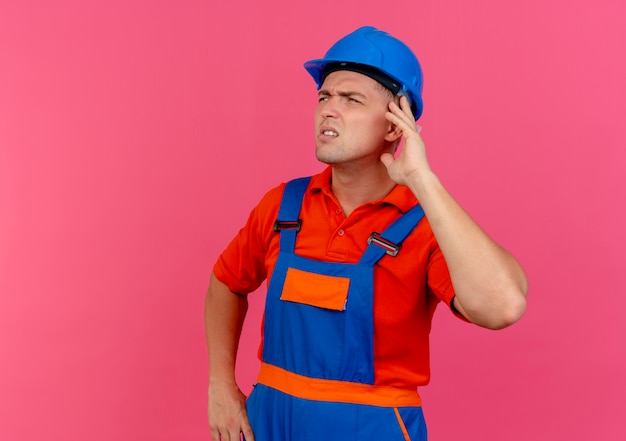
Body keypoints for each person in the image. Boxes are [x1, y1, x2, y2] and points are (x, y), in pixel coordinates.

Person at [205, 26, 528, 441]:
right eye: (324, 97)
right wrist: (220, 385)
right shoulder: (283, 206)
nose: (328, 110)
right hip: (270, 416)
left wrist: (421, 180)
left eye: (351, 99)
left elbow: (502, 306)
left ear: (396, 127)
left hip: (371, 426)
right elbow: (226, 283)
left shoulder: (427, 224)